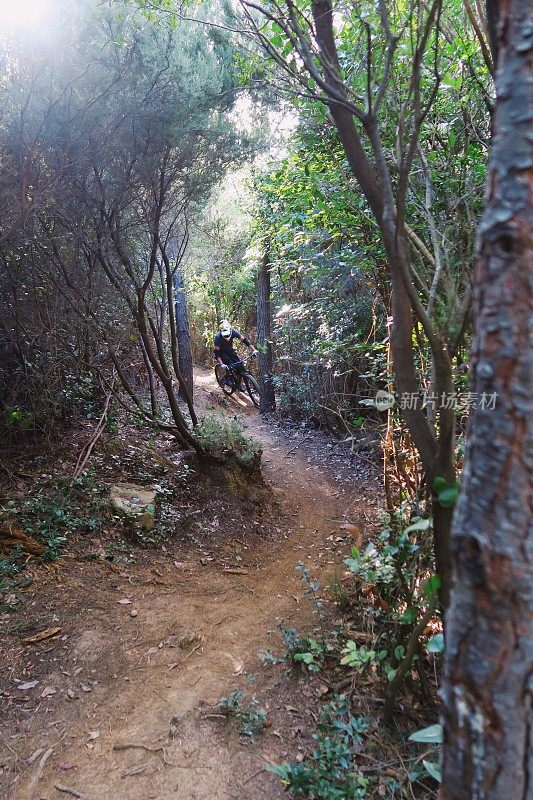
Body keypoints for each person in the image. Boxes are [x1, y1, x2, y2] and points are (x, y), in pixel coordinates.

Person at [214, 319, 258, 388]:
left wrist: (254, 350)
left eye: (228, 336)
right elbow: (216, 353)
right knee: (229, 362)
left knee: (239, 365)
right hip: (221, 352)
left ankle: (240, 383)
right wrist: (222, 364)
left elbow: (245, 341)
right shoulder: (217, 337)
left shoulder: (234, 332)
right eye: (225, 337)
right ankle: (227, 378)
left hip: (230, 350)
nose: (227, 339)